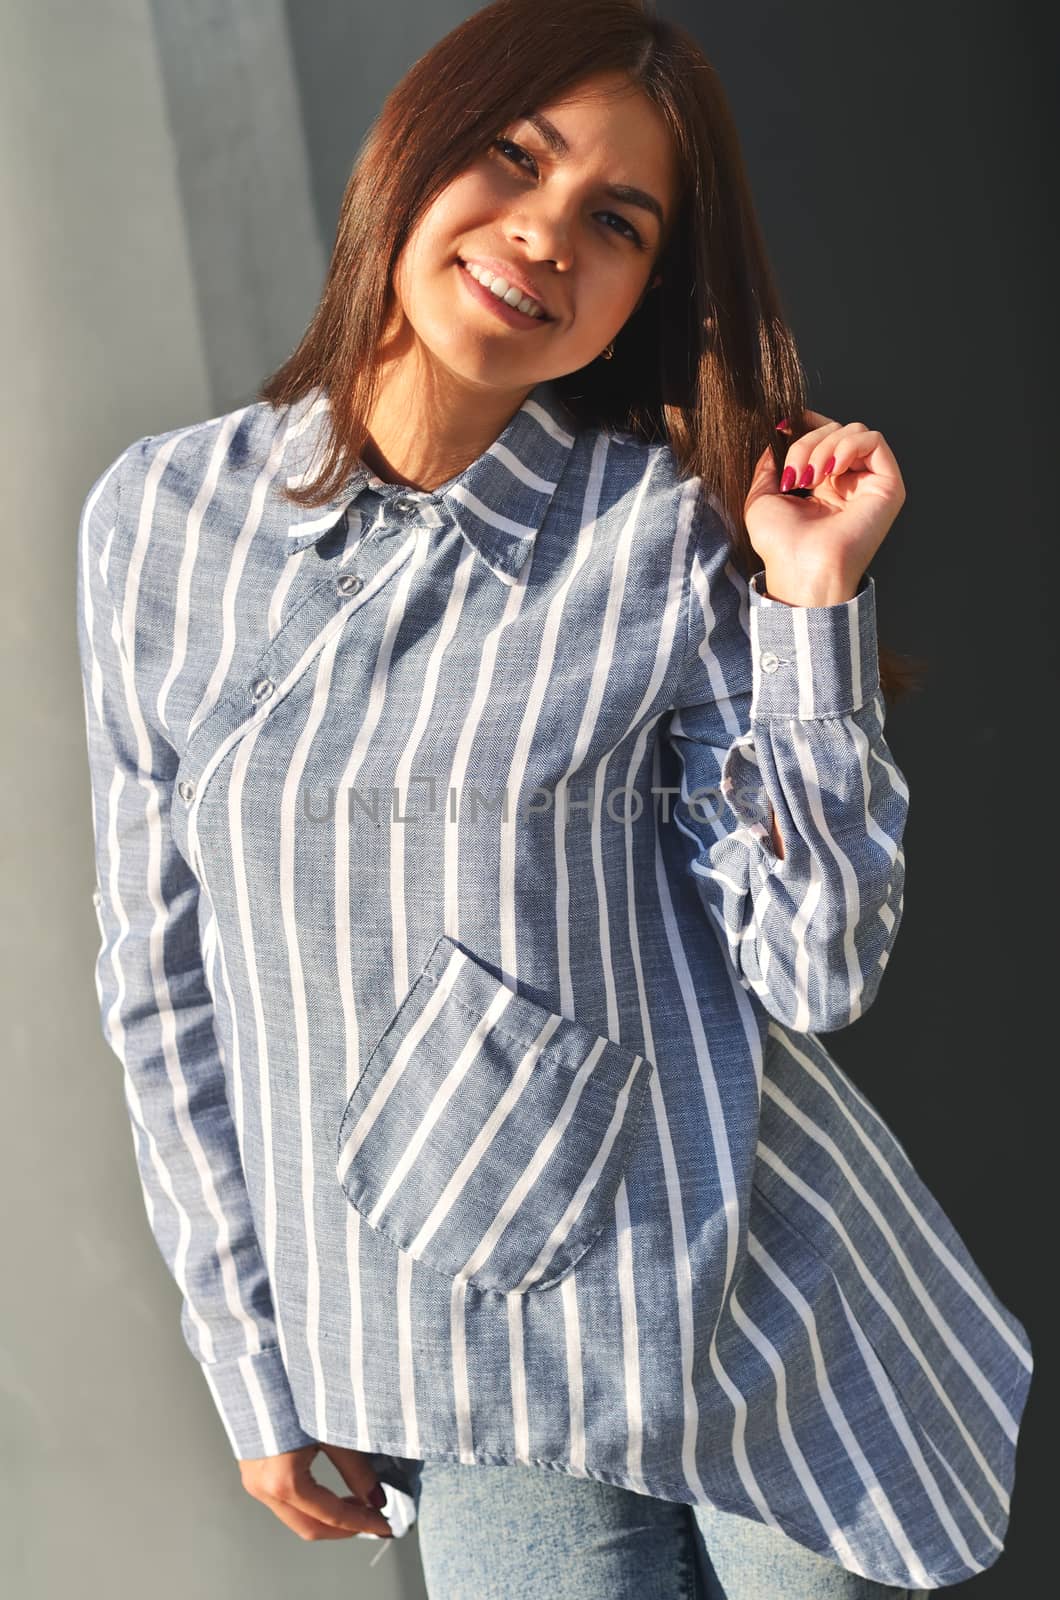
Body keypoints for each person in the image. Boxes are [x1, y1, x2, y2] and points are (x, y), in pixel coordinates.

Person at [74, 1, 1031, 1595]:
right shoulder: (160, 523)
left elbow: (815, 971)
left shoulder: (665, 532)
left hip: (763, 1315)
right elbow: (162, 986)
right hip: (469, 1360)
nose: (541, 234)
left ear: (642, 293)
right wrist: (254, 1360)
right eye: (514, 157)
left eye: (616, 221)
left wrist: (805, 617)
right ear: (414, 145)